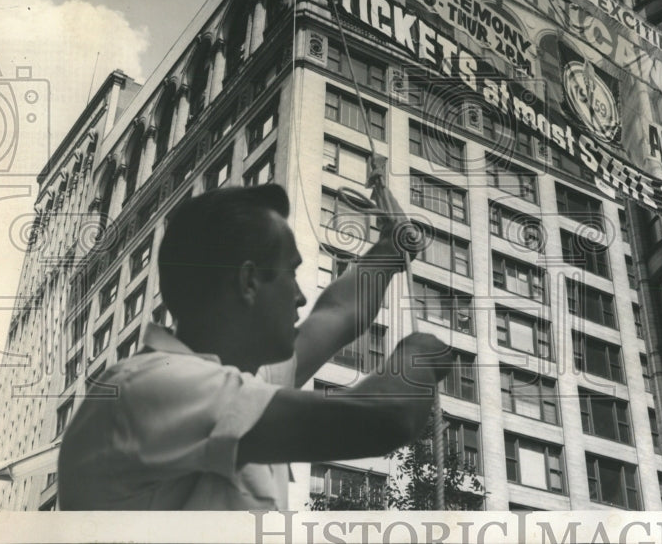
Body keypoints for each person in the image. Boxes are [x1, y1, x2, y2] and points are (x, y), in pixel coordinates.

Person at [58, 183, 451, 510]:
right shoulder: (148, 387)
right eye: (291, 274)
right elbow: (384, 418)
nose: (300, 297)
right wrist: (417, 354)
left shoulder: (238, 382)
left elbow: (337, 312)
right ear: (248, 282)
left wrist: (389, 249)